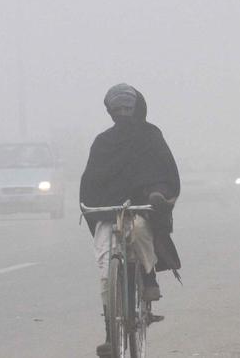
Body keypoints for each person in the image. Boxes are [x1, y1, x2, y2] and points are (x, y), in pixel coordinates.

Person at [80, 83, 181, 357]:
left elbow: (164, 173)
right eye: (117, 109)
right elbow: (91, 181)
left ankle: (148, 279)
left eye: (127, 108)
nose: (122, 113)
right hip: (106, 211)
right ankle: (110, 335)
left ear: (136, 109)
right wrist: (89, 205)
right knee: (104, 266)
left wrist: (157, 193)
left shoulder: (150, 136)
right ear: (110, 112)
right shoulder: (103, 142)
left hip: (140, 208)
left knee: (138, 231)